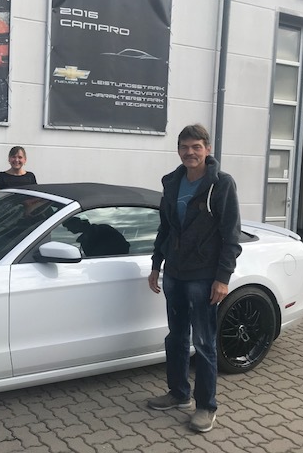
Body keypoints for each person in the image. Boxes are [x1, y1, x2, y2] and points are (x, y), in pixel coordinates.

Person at [147, 124, 241, 433]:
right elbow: (165, 227)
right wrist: (156, 264)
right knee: (176, 338)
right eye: (185, 147)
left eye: (196, 147)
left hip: (203, 277)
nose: (190, 152)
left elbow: (231, 236)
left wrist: (222, 278)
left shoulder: (221, 184)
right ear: (178, 150)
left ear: (207, 149)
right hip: (174, 273)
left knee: (203, 342)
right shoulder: (172, 182)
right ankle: (178, 394)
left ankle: (206, 406)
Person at [63, 216, 130, 256]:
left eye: (69, 226)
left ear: (77, 224)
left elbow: (123, 246)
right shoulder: (85, 239)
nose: (68, 229)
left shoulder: (103, 230)